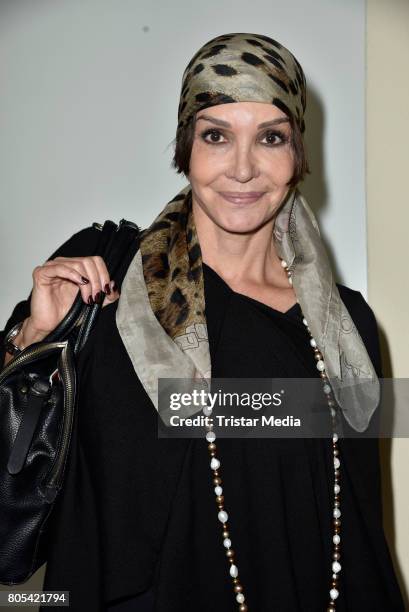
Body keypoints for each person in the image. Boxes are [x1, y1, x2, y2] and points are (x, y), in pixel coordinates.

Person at [1, 33, 405, 612]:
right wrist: (34, 343)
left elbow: (361, 526)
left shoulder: (349, 328)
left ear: (298, 155)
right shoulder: (107, 277)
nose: (243, 167)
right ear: (186, 148)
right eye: (216, 135)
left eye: (271, 137)